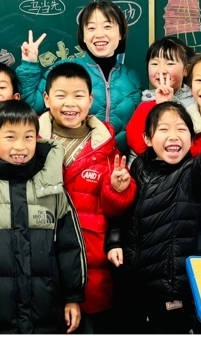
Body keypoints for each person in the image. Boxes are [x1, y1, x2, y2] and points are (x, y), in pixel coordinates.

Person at [107, 101, 201, 334]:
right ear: (147, 139)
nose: (173, 136)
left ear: (191, 139)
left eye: (181, 129)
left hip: (169, 292)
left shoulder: (191, 175)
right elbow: (122, 212)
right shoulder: (139, 167)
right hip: (129, 285)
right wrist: (114, 242)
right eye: (164, 129)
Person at [0, 100, 87, 333]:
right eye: (10, 137)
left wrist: (73, 297)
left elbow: (70, 247)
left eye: (28, 137)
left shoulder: (51, 187)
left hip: (46, 309)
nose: (20, 146)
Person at [37, 62, 136, 333]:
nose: (70, 103)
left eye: (78, 95)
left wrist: (118, 189)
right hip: (42, 256)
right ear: (46, 98)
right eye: (61, 95)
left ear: (90, 100)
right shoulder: (32, 142)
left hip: (90, 259)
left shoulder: (105, 147)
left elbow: (115, 210)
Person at [17, 0, 142, 153]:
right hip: (68, 159)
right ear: (83, 36)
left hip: (116, 162)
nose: (99, 34)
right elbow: (30, 109)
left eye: (107, 26)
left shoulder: (132, 79)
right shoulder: (64, 70)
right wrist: (29, 64)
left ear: (121, 33)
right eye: (91, 28)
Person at [125, 36, 195, 159]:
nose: (161, 70)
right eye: (154, 63)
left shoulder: (195, 101)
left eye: (170, 63)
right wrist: (159, 106)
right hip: (145, 166)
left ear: (186, 70)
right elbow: (136, 144)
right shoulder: (144, 101)